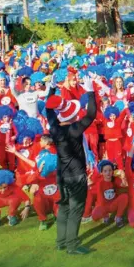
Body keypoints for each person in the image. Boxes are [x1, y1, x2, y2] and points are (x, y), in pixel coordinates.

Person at [45, 74, 96, 255]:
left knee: (64, 208)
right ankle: (72, 245)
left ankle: (61, 241)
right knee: (75, 209)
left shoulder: (54, 128)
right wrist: (90, 91)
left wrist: (51, 88)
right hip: (76, 175)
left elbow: (48, 109)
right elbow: (91, 114)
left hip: (62, 175)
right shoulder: (75, 129)